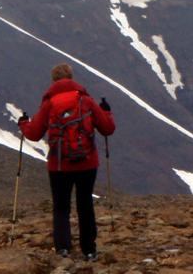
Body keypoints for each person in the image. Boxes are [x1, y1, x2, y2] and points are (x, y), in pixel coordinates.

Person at [18, 62, 115, 261]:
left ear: (53, 80)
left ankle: (62, 248)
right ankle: (89, 250)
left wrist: (23, 123)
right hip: (87, 163)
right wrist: (106, 112)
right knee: (85, 204)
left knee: (61, 206)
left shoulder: (49, 103)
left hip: (59, 165)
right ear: (71, 77)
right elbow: (107, 128)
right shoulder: (85, 100)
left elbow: (34, 134)